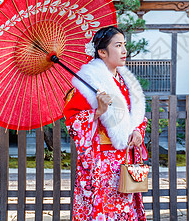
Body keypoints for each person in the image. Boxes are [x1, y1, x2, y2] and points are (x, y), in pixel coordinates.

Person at [63, 26, 148, 221]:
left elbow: (138, 117)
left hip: (126, 159)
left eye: (124, 45)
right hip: (100, 163)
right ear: (102, 52)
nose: (124, 50)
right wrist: (98, 111)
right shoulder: (87, 84)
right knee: (101, 212)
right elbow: (73, 122)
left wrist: (136, 131)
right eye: (118, 46)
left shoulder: (126, 81)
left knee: (125, 210)